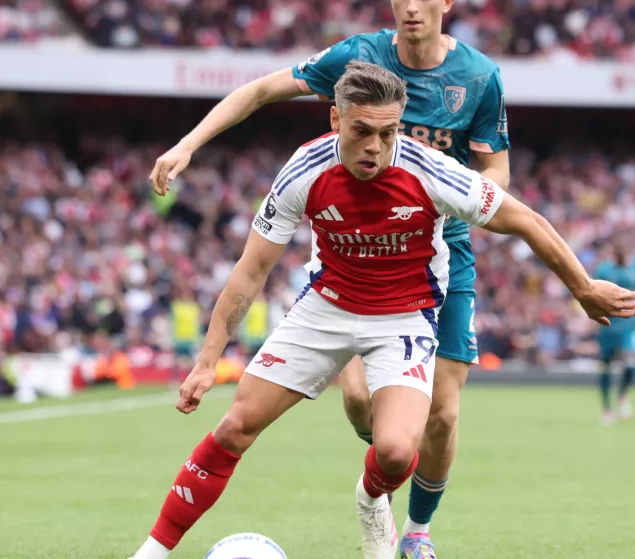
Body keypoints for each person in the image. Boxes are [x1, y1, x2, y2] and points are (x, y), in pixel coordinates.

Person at [129, 62, 635, 559]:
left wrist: (581, 286)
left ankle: (372, 494)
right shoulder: (303, 171)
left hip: (404, 316)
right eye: (361, 131)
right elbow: (250, 270)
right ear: (335, 118)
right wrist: (206, 360)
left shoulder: (433, 172)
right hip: (324, 309)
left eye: (388, 132)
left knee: (398, 452)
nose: (375, 146)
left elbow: (526, 220)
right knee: (235, 426)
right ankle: (151, 551)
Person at [149, 2, 510, 553]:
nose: (411, 6)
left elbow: (496, 172)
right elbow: (260, 91)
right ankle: (378, 483)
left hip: (440, 252)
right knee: (360, 403)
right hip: (354, 259)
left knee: (443, 412)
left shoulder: (480, 77)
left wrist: (467, 206)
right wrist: (188, 143)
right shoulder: (355, 57)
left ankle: (416, 532)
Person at [593, 240, 635, 426]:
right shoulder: (604, 270)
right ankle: (606, 409)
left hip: (628, 326)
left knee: (631, 364)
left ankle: (622, 395)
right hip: (608, 325)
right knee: (606, 366)